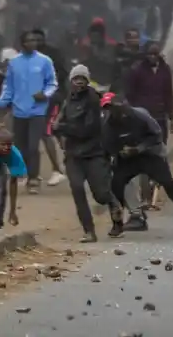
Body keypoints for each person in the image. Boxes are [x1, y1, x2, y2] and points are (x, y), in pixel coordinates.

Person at [101, 93, 173, 234]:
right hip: (128, 159)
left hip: (150, 154)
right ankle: (117, 223)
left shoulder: (139, 115)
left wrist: (139, 148)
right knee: (115, 185)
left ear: (123, 104)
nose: (112, 111)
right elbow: (108, 147)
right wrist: (118, 154)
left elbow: (157, 135)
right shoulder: (108, 125)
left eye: (114, 107)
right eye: (107, 108)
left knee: (168, 183)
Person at [53, 65, 124, 242]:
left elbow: (86, 129)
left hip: (94, 153)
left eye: (82, 79)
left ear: (87, 81)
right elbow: (55, 125)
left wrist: (62, 128)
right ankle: (89, 231)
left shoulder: (93, 100)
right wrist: (60, 133)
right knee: (77, 189)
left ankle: (114, 206)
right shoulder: (68, 100)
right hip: (73, 155)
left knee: (101, 194)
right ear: (71, 81)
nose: (79, 82)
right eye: (76, 79)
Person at [0, 31, 59, 194]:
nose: (33, 43)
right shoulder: (14, 63)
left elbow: (52, 83)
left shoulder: (44, 61)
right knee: (21, 146)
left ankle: (34, 178)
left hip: (38, 110)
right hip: (19, 110)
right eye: (29, 40)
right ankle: (23, 174)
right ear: (22, 43)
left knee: (33, 146)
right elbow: (8, 85)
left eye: (34, 40)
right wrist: (3, 102)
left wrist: (45, 94)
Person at [125, 40, 173, 210]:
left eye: (156, 53)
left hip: (160, 118)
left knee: (159, 153)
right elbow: (130, 95)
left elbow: (168, 94)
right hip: (142, 119)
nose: (153, 57)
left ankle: (155, 194)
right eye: (150, 54)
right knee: (143, 154)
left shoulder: (165, 70)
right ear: (145, 54)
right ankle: (145, 196)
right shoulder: (137, 71)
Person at [31, 28, 67, 187]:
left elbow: (62, 75)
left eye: (39, 39)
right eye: (34, 40)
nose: (37, 43)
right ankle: (32, 173)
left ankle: (57, 170)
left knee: (47, 133)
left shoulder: (53, 53)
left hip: (52, 98)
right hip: (32, 99)